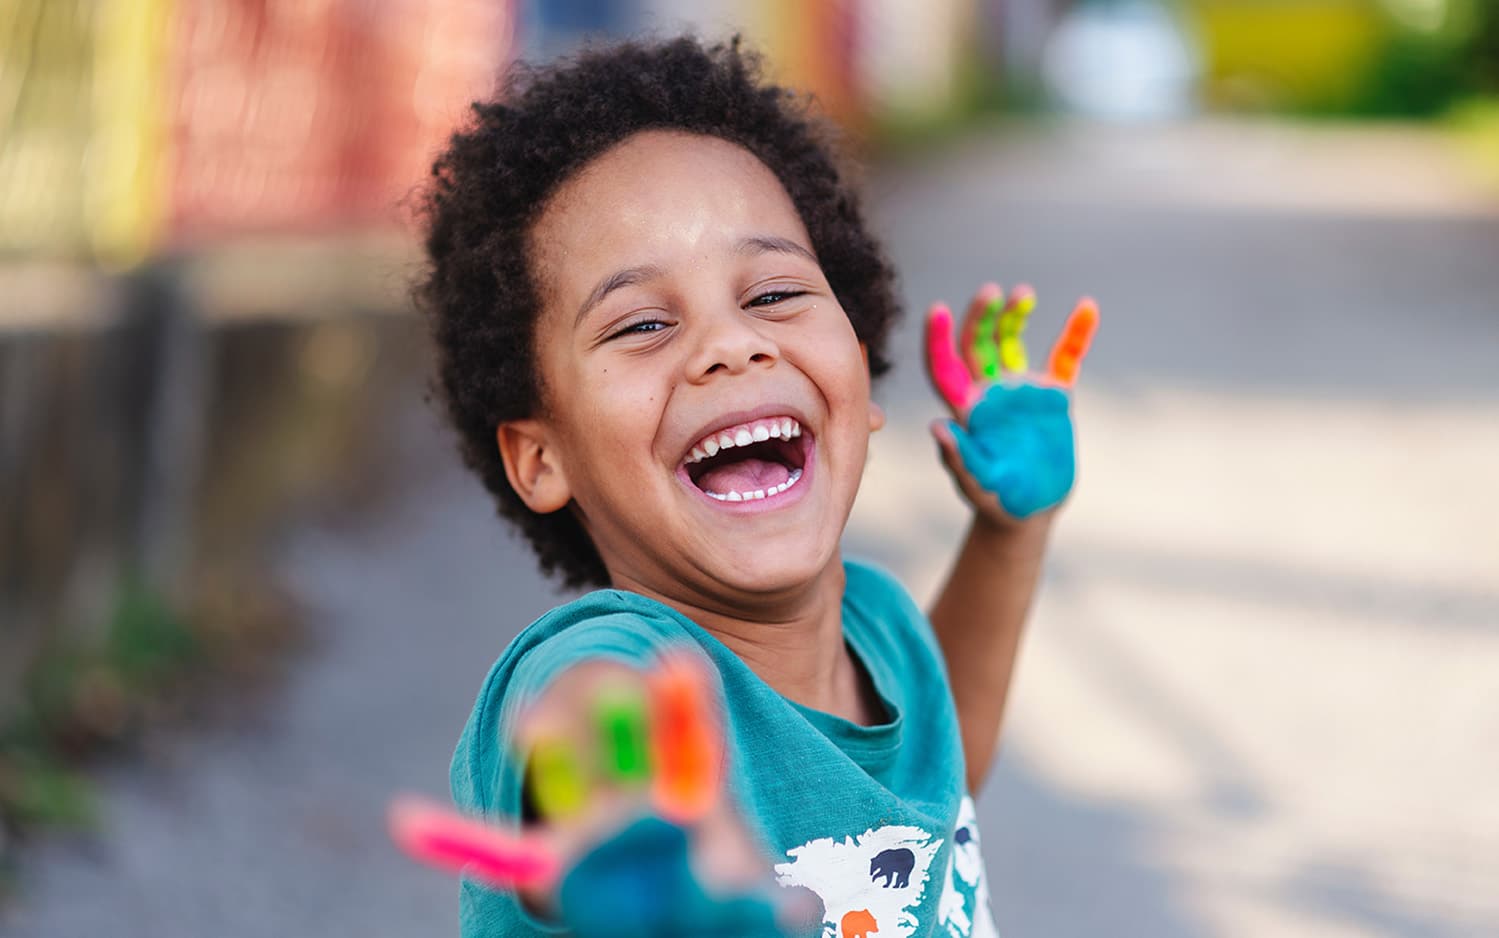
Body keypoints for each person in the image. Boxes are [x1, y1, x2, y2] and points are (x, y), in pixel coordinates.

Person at [414, 34, 1096, 938]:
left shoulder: (881, 628)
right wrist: (632, 846)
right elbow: (588, 725)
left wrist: (1012, 532)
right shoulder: (608, 661)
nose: (732, 345)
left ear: (856, 366)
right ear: (542, 457)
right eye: (644, 323)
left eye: (772, 295)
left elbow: (945, 760)